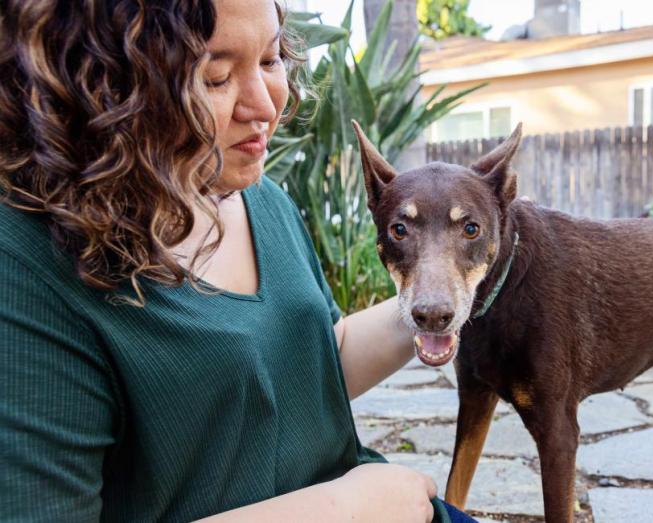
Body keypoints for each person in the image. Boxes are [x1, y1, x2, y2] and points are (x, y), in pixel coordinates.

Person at [0, 1, 477, 521]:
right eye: (215, 77)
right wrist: (344, 508)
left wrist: (435, 302)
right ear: (100, 87)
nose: (266, 106)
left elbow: (306, 364)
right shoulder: (25, 267)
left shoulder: (260, 197)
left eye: (271, 60)